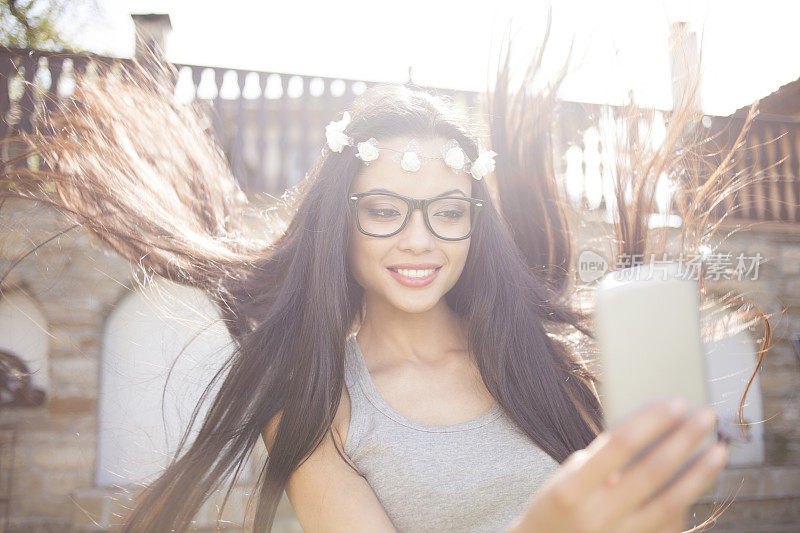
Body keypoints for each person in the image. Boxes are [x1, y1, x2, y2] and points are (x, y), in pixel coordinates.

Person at [1, 31, 763, 533]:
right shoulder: (313, 401)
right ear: (341, 219)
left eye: (447, 212)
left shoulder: (540, 357)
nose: (420, 239)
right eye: (386, 210)